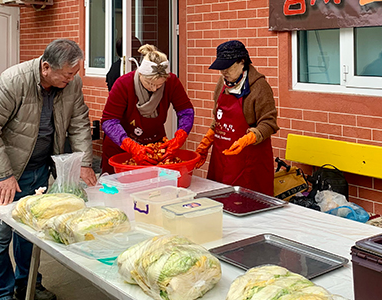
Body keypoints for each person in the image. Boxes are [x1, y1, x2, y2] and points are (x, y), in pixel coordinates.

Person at [0, 39, 97, 300]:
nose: (72, 79)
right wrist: (4, 175)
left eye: (75, 72)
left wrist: (84, 163)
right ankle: (0, 296)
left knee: (31, 233)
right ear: (45, 67)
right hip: (2, 173)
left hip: (39, 170)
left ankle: (27, 285)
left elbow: (79, 121)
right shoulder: (12, 82)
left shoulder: (71, 84)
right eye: (67, 74)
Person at [195, 40, 279, 196]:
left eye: (228, 68)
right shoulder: (222, 83)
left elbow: (269, 122)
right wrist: (206, 141)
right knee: (218, 199)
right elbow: (218, 119)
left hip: (249, 161)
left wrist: (250, 138)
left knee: (245, 204)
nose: (224, 72)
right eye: (221, 69)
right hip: (221, 158)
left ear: (242, 62)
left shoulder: (260, 87)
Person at [101, 45, 194, 173]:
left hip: (154, 145)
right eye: (150, 83)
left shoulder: (172, 82)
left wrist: (180, 137)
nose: (154, 89)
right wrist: (131, 146)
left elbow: (186, 111)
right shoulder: (123, 84)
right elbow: (109, 121)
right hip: (120, 147)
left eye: (159, 85)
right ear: (140, 74)